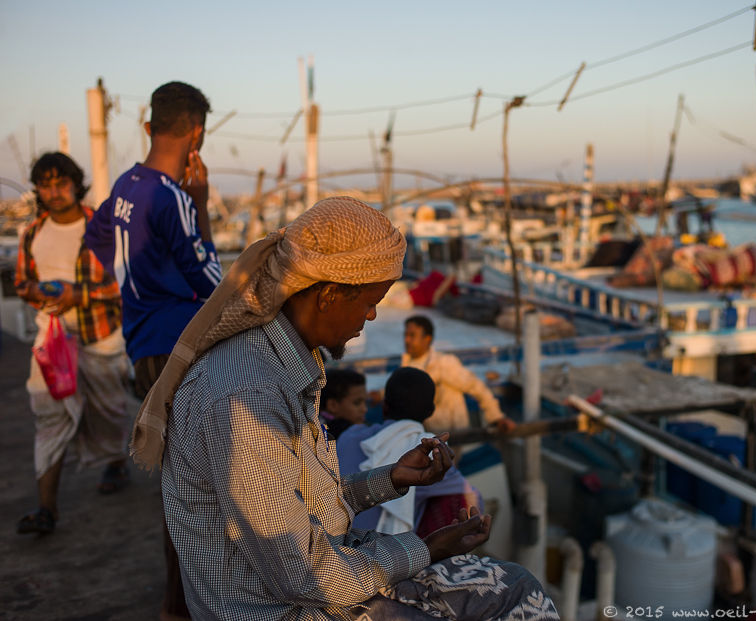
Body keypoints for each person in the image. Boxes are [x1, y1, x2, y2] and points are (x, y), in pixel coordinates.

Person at [132, 197, 558, 620]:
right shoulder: (246, 398)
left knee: (513, 584)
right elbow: (305, 575)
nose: (372, 316)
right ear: (329, 294)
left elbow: (301, 504)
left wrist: (390, 480)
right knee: (516, 596)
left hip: (303, 590)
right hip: (289, 611)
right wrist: (428, 547)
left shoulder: (276, 364)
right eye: (369, 301)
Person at [84, 80, 220, 620]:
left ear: (148, 126)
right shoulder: (171, 196)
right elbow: (215, 284)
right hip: (177, 347)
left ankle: (176, 603)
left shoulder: (125, 185)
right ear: (198, 135)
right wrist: (202, 205)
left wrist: (134, 283)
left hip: (143, 343)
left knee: (177, 477)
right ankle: (178, 604)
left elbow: (97, 244)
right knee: (192, 485)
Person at [14, 152, 130, 535]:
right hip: (53, 340)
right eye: (45, 185)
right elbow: (22, 283)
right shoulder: (32, 232)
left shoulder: (102, 224)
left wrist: (77, 294)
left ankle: (115, 461)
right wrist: (37, 292)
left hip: (100, 336)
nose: (53, 192)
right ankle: (46, 509)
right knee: (48, 416)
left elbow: (123, 281)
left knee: (109, 410)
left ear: (75, 183)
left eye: (60, 183)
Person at [338, 366, 483, 538]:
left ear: (384, 406)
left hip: (335, 540)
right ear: (431, 412)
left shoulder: (349, 437)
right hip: (379, 552)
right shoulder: (429, 452)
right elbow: (473, 501)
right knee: (457, 501)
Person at [402, 314, 517, 434]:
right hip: (429, 440)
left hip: (455, 438)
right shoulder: (406, 366)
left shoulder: (443, 363)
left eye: (412, 336)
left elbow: (476, 386)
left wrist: (496, 417)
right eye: (405, 335)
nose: (407, 340)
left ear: (427, 339)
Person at [320, 368, 367, 440]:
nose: (364, 409)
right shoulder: (343, 434)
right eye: (357, 403)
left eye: (365, 402)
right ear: (333, 405)